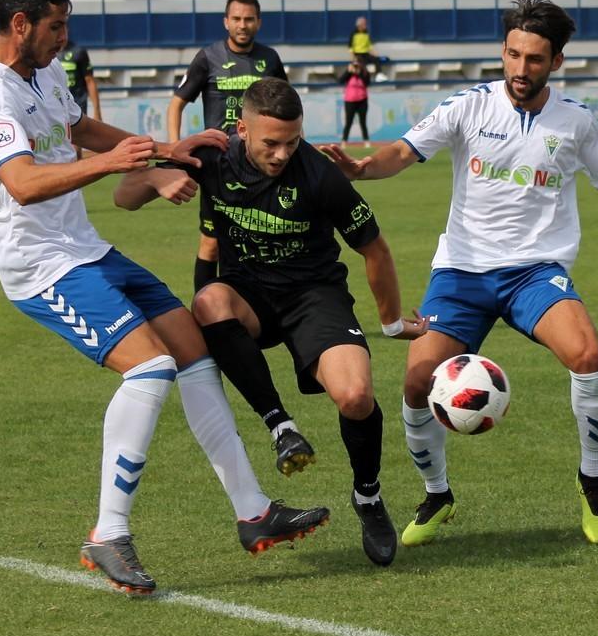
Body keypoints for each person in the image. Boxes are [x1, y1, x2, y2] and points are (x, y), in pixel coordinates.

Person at [0, 0, 329, 595]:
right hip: (40, 267)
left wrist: (164, 150)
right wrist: (112, 167)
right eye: (54, 25)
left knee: (192, 349)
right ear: (20, 24)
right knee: (150, 367)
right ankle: (108, 533)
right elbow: (21, 184)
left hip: (85, 249)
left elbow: (79, 128)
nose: (63, 37)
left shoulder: (43, 72)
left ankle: (253, 511)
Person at [325, 0, 598, 549]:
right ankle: (437, 493)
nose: (519, 69)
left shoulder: (576, 121)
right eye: (512, 55)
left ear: (555, 62)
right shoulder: (468, 106)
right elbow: (406, 150)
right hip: (462, 274)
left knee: (586, 355)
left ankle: (592, 480)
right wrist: (364, 168)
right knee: (418, 382)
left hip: (534, 272)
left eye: (534, 59)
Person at [115, 78, 429, 566]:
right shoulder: (212, 156)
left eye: (292, 141)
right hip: (250, 295)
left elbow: (375, 249)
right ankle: (280, 426)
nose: (282, 153)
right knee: (209, 300)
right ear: (241, 129)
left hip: (315, 297)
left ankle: (367, 496)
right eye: (271, 143)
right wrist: (160, 173)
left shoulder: (321, 176)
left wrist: (389, 321)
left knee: (355, 397)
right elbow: (124, 197)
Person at [167, 0, 287, 297]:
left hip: (261, 163)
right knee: (211, 242)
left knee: (262, 238)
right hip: (220, 165)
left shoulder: (270, 59)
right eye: (236, 19)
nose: (242, 25)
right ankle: (204, 311)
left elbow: (287, 108)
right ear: (226, 22)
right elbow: (176, 104)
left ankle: (256, 307)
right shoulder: (208, 57)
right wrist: (174, 147)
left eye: (248, 19)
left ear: (258, 22)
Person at [339, 59, 371, 146]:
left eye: (358, 64)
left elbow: (367, 83)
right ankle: (344, 141)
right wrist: (348, 71)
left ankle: (366, 141)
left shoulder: (365, 73)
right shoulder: (349, 74)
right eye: (354, 65)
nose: (356, 66)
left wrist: (359, 73)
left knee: (363, 122)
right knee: (348, 122)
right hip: (350, 101)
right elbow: (340, 80)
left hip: (362, 100)